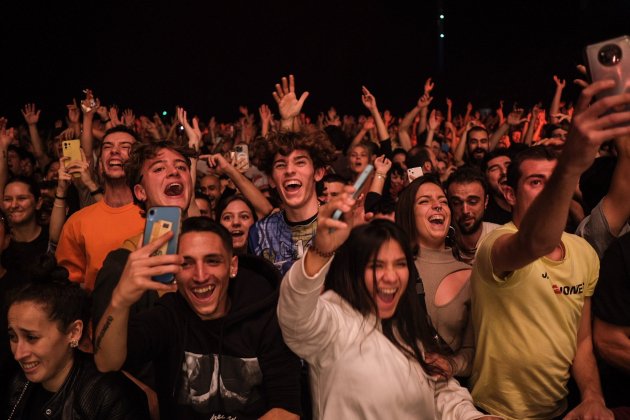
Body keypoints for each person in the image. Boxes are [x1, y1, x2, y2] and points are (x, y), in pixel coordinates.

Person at [468, 78, 630, 419]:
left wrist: (592, 397)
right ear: (510, 194)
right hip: (495, 412)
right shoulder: (495, 245)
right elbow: (535, 242)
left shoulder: (582, 252)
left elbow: (582, 342)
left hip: (559, 412)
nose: (547, 190)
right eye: (536, 182)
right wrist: (568, 167)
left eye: (552, 180)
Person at [277, 189, 492, 419]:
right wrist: (320, 251)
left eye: (400, 264)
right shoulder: (334, 320)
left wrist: (473, 416)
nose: (390, 277)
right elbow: (295, 317)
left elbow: (436, 387)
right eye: (377, 265)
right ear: (356, 271)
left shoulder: (406, 323)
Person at [93, 217, 302, 419]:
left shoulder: (265, 315)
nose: (200, 276)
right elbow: (106, 362)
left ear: (232, 266)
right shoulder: (169, 314)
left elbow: (286, 410)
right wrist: (120, 300)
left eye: (212, 261)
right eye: (186, 264)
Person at [5, 259, 150, 419]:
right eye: (13, 337)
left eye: (32, 337)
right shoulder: (19, 384)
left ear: (73, 333)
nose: (19, 354)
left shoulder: (109, 397)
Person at [248, 75, 335, 275]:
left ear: (319, 172)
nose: (289, 170)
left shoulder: (338, 224)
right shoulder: (260, 233)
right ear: (270, 179)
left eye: (300, 162)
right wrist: (286, 121)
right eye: (280, 165)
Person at [396, 174, 475, 377]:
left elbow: (474, 352)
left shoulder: (472, 276)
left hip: (446, 396)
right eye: (424, 201)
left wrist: (450, 365)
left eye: (443, 201)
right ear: (408, 215)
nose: (438, 206)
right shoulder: (390, 268)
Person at [55, 126, 144, 291]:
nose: (115, 151)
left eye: (125, 147)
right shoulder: (77, 222)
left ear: (139, 160)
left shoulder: (155, 217)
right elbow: (68, 285)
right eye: (107, 147)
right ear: (100, 162)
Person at [445, 167, 500, 264]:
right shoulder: (443, 243)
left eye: (473, 202)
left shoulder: (500, 237)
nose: (465, 210)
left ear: (486, 201)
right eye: (456, 203)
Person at [1, 176, 49, 275]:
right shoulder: (2, 242)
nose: (14, 205)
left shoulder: (51, 238)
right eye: (7, 199)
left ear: (38, 203)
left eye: (22, 198)